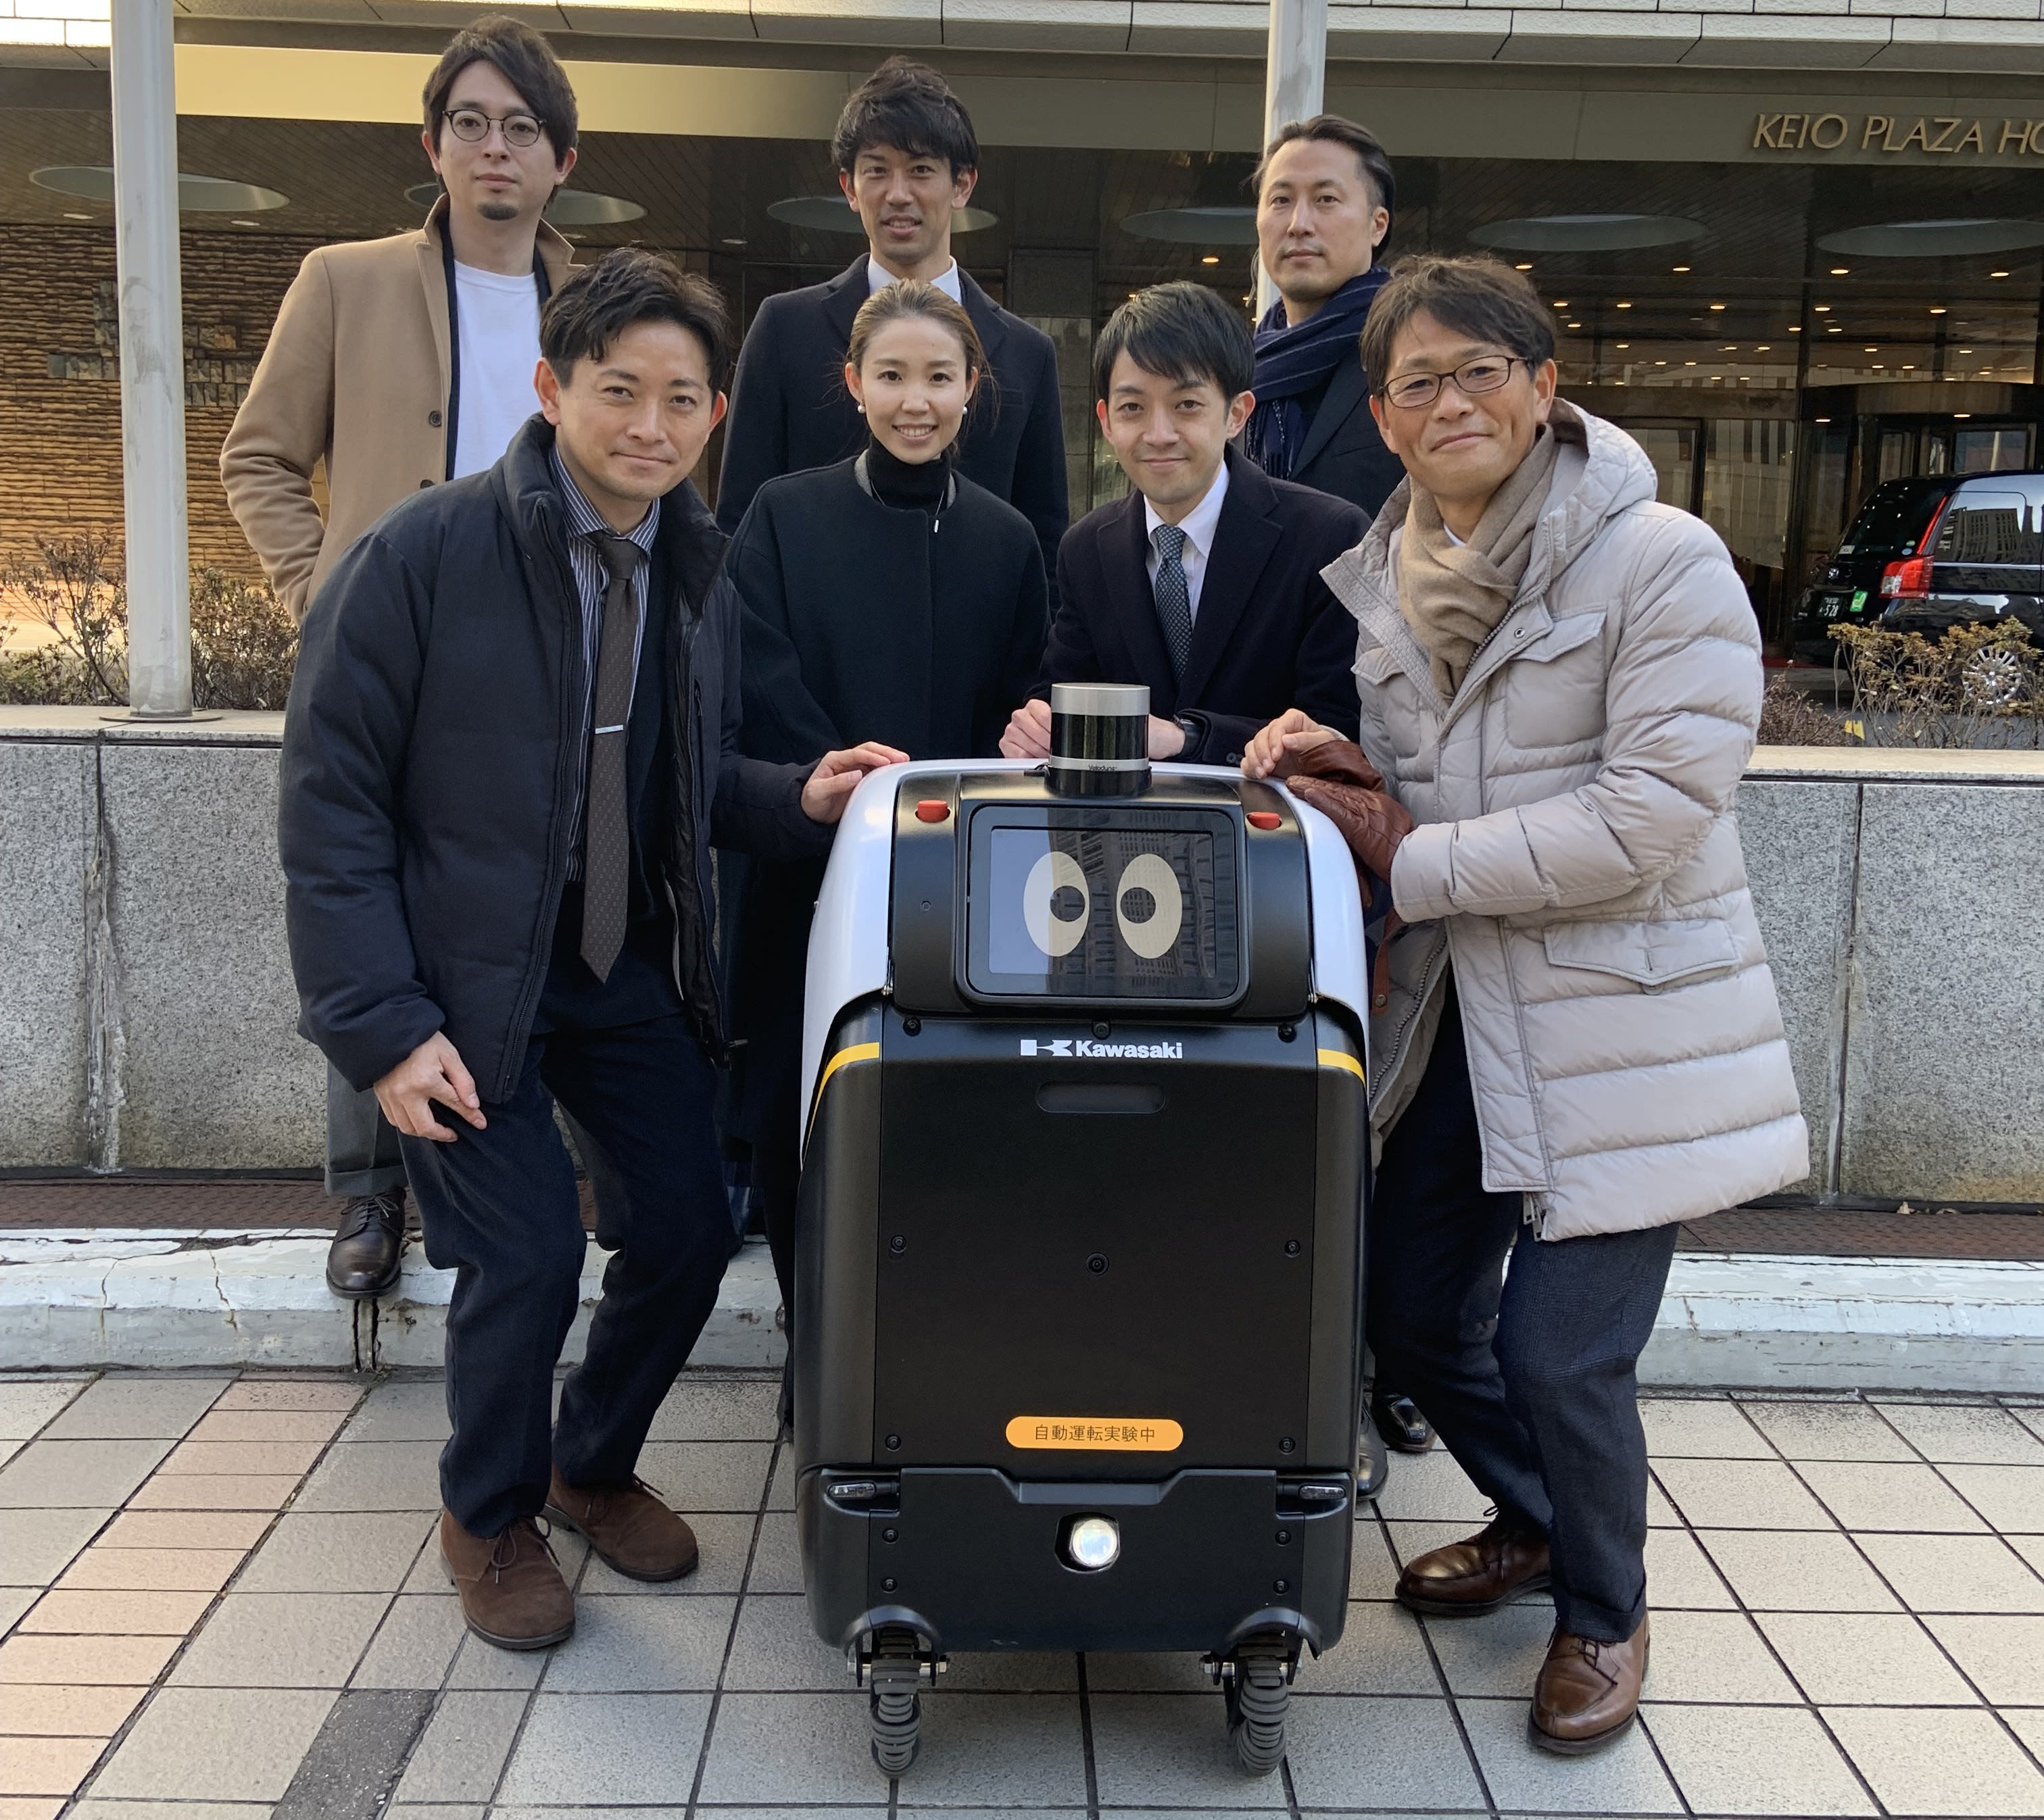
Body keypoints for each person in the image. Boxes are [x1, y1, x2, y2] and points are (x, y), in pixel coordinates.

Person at [277, 248, 904, 1650]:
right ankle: (488, 1508)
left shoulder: (695, 567)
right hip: (458, 980)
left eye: (683, 398)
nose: (651, 425)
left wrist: (791, 796)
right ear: (554, 388)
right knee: (525, 1259)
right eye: (619, 390)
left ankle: (589, 1456)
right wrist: (378, 1024)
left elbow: (680, 773)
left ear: (717, 413)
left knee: (687, 1223)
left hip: (617, 960)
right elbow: (329, 804)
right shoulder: (418, 555)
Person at [1244, 253, 1808, 1754]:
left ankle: (1604, 1608)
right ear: (1382, 411)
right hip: (1464, 1018)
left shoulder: (1661, 558)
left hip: (1625, 1026)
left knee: (1562, 1348)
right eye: (1417, 380)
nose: (1451, 401)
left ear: (1544, 387)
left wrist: (1408, 848)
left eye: (1479, 368)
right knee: (1415, 1312)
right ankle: (1539, 1517)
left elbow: (1649, 816)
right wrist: (1338, 763)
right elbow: (1416, 794)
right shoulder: (1384, 571)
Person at [222, 16, 580, 1304]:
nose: (497, 149)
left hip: (546, 656)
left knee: (521, 898)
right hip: (390, 651)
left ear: (559, 160)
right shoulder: (345, 278)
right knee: (371, 891)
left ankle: (508, 1164)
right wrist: (324, 596)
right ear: (433, 144)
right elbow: (257, 456)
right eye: (474, 123)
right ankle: (368, 1191)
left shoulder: (584, 300)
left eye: (523, 128)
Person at [724, 280, 1046, 1389]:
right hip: (806, 875)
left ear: (973, 392)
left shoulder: (1006, 540)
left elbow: (1020, 702)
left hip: (962, 891)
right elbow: (752, 674)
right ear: (853, 385)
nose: (917, 401)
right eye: (893, 376)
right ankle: (816, 1360)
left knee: (942, 1121)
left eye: (939, 378)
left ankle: (930, 1366)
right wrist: (850, 792)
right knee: (797, 1117)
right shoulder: (780, 512)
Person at [714, 55, 1067, 598]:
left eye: (921, 170)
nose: (898, 193)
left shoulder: (1026, 352)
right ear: (850, 188)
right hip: (811, 661)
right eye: (876, 170)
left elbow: (1043, 552)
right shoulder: (785, 329)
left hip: (976, 665)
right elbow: (739, 527)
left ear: (963, 185)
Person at [1002, 281, 1365, 771]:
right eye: (1133, 408)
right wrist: (1038, 726)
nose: (1159, 434)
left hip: (1271, 832)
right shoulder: (1087, 549)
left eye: (1187, 405)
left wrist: (1189, 738)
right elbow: (1061, 692)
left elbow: (1339, 726)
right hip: (1118, 833)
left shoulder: (1328, 538)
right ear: (1106, 422)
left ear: (1237, 413)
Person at [1240, 114, 1404, 521]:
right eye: (1281, 201)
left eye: (1325, 200)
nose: (1299, 224)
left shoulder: (1414, 355)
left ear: (1377, 225)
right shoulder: (1240, 368)